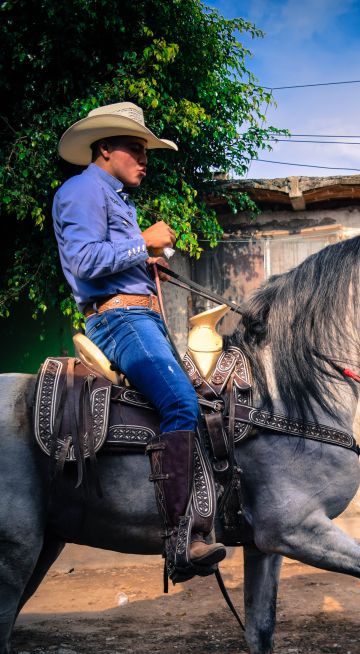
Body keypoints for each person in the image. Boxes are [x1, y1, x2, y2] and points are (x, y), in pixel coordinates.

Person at [52, 102, 226, 581]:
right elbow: (85, 262)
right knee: (181, 403)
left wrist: (146, 264)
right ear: (105, 148)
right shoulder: (81, 190)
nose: (143, 159)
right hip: (121, 320)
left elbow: (108, 258)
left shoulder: (112, 196)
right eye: (135, 148)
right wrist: (143, 243)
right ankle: (179, 540)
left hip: (140, 317)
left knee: (201, 403)